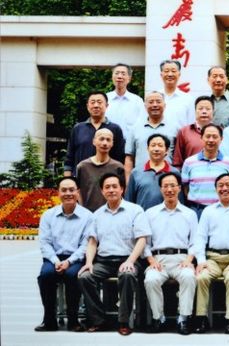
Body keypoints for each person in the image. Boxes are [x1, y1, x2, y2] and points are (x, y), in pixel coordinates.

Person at [78, 173, 150, 335]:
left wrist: (130, 261)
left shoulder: (135, 210)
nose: (111, 190)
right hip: (103, 261)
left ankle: (124, 321)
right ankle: (99, 320)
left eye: (114, 186)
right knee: (85, 277)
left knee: (127, 275)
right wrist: (89, 262)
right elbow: (92, 242)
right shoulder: (97, 215)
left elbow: (142, 239)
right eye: (107, 187)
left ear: (122, 189)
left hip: (128, 259)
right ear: (102, 191)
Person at [193, 173, 229, 335]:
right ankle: (201, 318)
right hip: (212, 258)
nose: (224, 188)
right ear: (216, 189)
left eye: (228, 185)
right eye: (220, 185)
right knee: (201, 277)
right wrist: (201, 261)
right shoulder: (208, 211)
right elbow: (200, 238)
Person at [143, 172, 198, 335]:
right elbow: (145, 243)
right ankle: (158, 318)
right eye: (165, 186)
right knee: (151, 279)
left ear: (179, 188)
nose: (169, 189)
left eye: (173, 185)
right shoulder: (150, 213)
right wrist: (151, 260)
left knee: (189, 277)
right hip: (158, 259)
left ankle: (183, 318)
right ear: (161, 189)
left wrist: (189, 259)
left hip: (182, 259)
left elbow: (195, 241)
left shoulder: (189, 214)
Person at [36, 176, 92, 332]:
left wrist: (69, 262)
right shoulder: (48, 215)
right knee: (45, 276)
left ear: (78, 192)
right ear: (58, 193)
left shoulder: (88, 216)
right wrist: (55, 261)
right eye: (64, 190)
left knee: (72, 275)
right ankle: (49, 320)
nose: (68, 193)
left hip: (76, 259)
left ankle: (73, 320)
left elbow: (85, 245)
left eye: (72, 190)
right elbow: (45, 243)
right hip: (53, 258)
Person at [63, 91, 125, 176]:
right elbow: (69, 158)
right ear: (87, 106)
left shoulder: (115, 129)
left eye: (99, 102)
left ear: (106, 106)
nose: (96, 105)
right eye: (92, 102)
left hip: (107, 179)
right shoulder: (78, 128)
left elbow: (120, 158)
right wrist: (68, 179)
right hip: (81, 178)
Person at [181, 124, 229, 217]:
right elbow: (185, 187)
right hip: (196, 211)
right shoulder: (189, 162)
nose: (211, 140)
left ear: (221, 139)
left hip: (221, 210)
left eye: (215, 137)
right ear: (201, 138)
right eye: (207, 136)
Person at [124, 91, 178, 182]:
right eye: (151, 102)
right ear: (145, 106)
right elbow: (129, 158)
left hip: (167, 181)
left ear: (164, 105)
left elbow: (178, 158)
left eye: (158, 101)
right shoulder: (135, 129)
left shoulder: (175, 129)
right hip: (140, 180)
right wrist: (129, 183)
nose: (155, 105)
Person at [124, 133, 180, 210]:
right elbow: (129, 201)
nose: (156, 149)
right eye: (153, 145)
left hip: (168, 215)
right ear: (148, 149)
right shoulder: (136, 172)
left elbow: (180, 201)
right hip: (142, 216)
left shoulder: (174, 173)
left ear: (167, 150)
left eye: (160, 145)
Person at [76, 128, 125, 212]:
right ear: (94, 141)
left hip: (111, 213)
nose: (105, 143)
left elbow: (122, 193)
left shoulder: (118, 167)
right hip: (88, 214)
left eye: (108, 140)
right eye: (101, 139)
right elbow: (78, 191)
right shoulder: (82, 167)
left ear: (112, 143)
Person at [172, 96, 215, 169]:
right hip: (190, 174)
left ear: (213, 111)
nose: (204, 112)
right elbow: (178, 161)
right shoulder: (184, 132)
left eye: (208, 109)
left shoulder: (221, 132)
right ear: (195, 111)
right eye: (200, 109)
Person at [106, 63, 144, 138]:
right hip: (107, 142)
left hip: (129, 143)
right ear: (112, 77)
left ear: (129, 78)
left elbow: (142, 123)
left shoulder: (137, 101)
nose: (119, 76)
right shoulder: (105, 99)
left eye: (123, 74)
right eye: (117, 73)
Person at [158, 59, 194, 128]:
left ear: (179, 74)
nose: (170, 74)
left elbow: (191, 125)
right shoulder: (155, 98)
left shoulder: (188, 99)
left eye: (173, 71)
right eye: (166, 71)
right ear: (161, 74)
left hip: (180, 135)